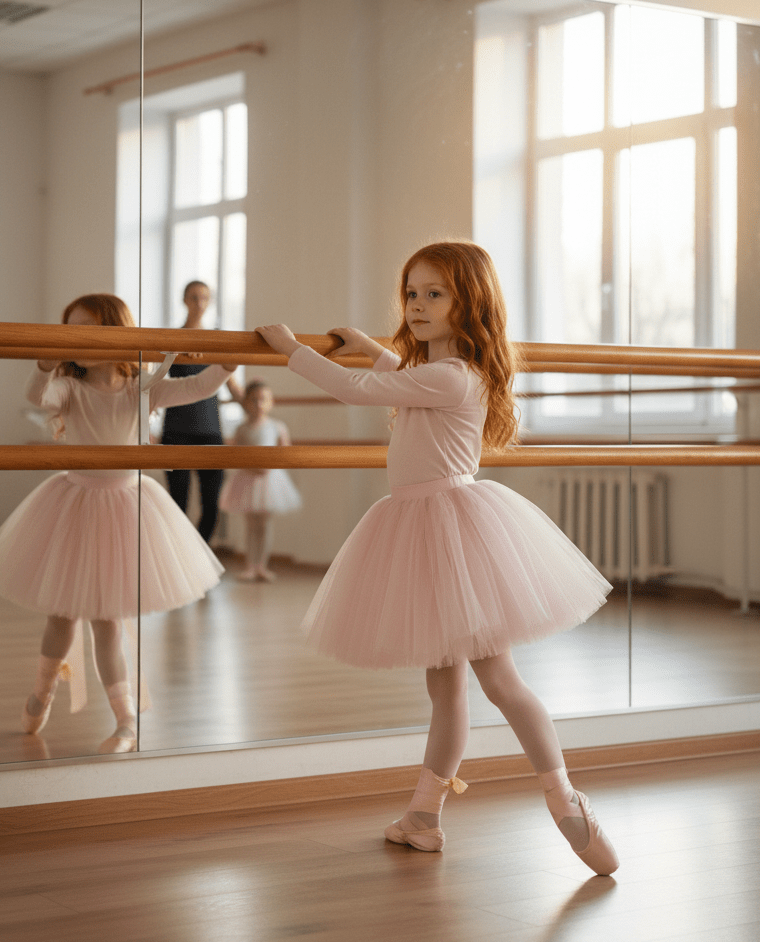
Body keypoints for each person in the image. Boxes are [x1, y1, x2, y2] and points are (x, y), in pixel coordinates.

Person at [257, 241, 618, 875]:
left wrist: (293, 350)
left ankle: (565, 800)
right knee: (445, 685)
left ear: (469, 302)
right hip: (433, 531)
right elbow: (405, 380)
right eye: (413, 293)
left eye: (435, 294)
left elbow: (359, 390)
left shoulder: (448, 376)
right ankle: (424, 816)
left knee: (498, 681)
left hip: (450, 531)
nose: (418, 305)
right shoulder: (449, 372)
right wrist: (377, 348)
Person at [0, 293, 237, 754]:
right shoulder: (68, 387)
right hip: (74, 503)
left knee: (109, 621)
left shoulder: (144, 387)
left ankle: (125, 720)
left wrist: (226, 362)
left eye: (87, 329)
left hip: (126, 507)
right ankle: (43, 691)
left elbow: (197, 388)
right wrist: (43, 363)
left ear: (116, 333)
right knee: (61, 613)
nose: (77, 339)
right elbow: (38, 397)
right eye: (70, 330)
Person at [161, 280, 243, 543]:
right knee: (178, 503)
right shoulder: (171, 338)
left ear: (209, 302)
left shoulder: (216, 340)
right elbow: (155, 379)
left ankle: (198, 558)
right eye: (194, 297)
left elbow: (232, 385)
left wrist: (256, 409)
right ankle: (179, 559)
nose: (199, 303)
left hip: (210, 431)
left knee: (212, 504)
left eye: (204, 298)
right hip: (176, 432)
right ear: (184, 300)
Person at [219, 379, 302, 582]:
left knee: (264, 526)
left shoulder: (277, 426)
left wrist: (271, 466)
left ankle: (262, 566)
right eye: (254, 400)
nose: (258, 404)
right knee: (251, 525)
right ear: (246, 402)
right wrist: (250, 467)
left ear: (270, 402)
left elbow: (285, 453)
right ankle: (250, 566)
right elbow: (235, 455)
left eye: (263, 400)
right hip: (248, 478)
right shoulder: (242, 429)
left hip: (269, 481)